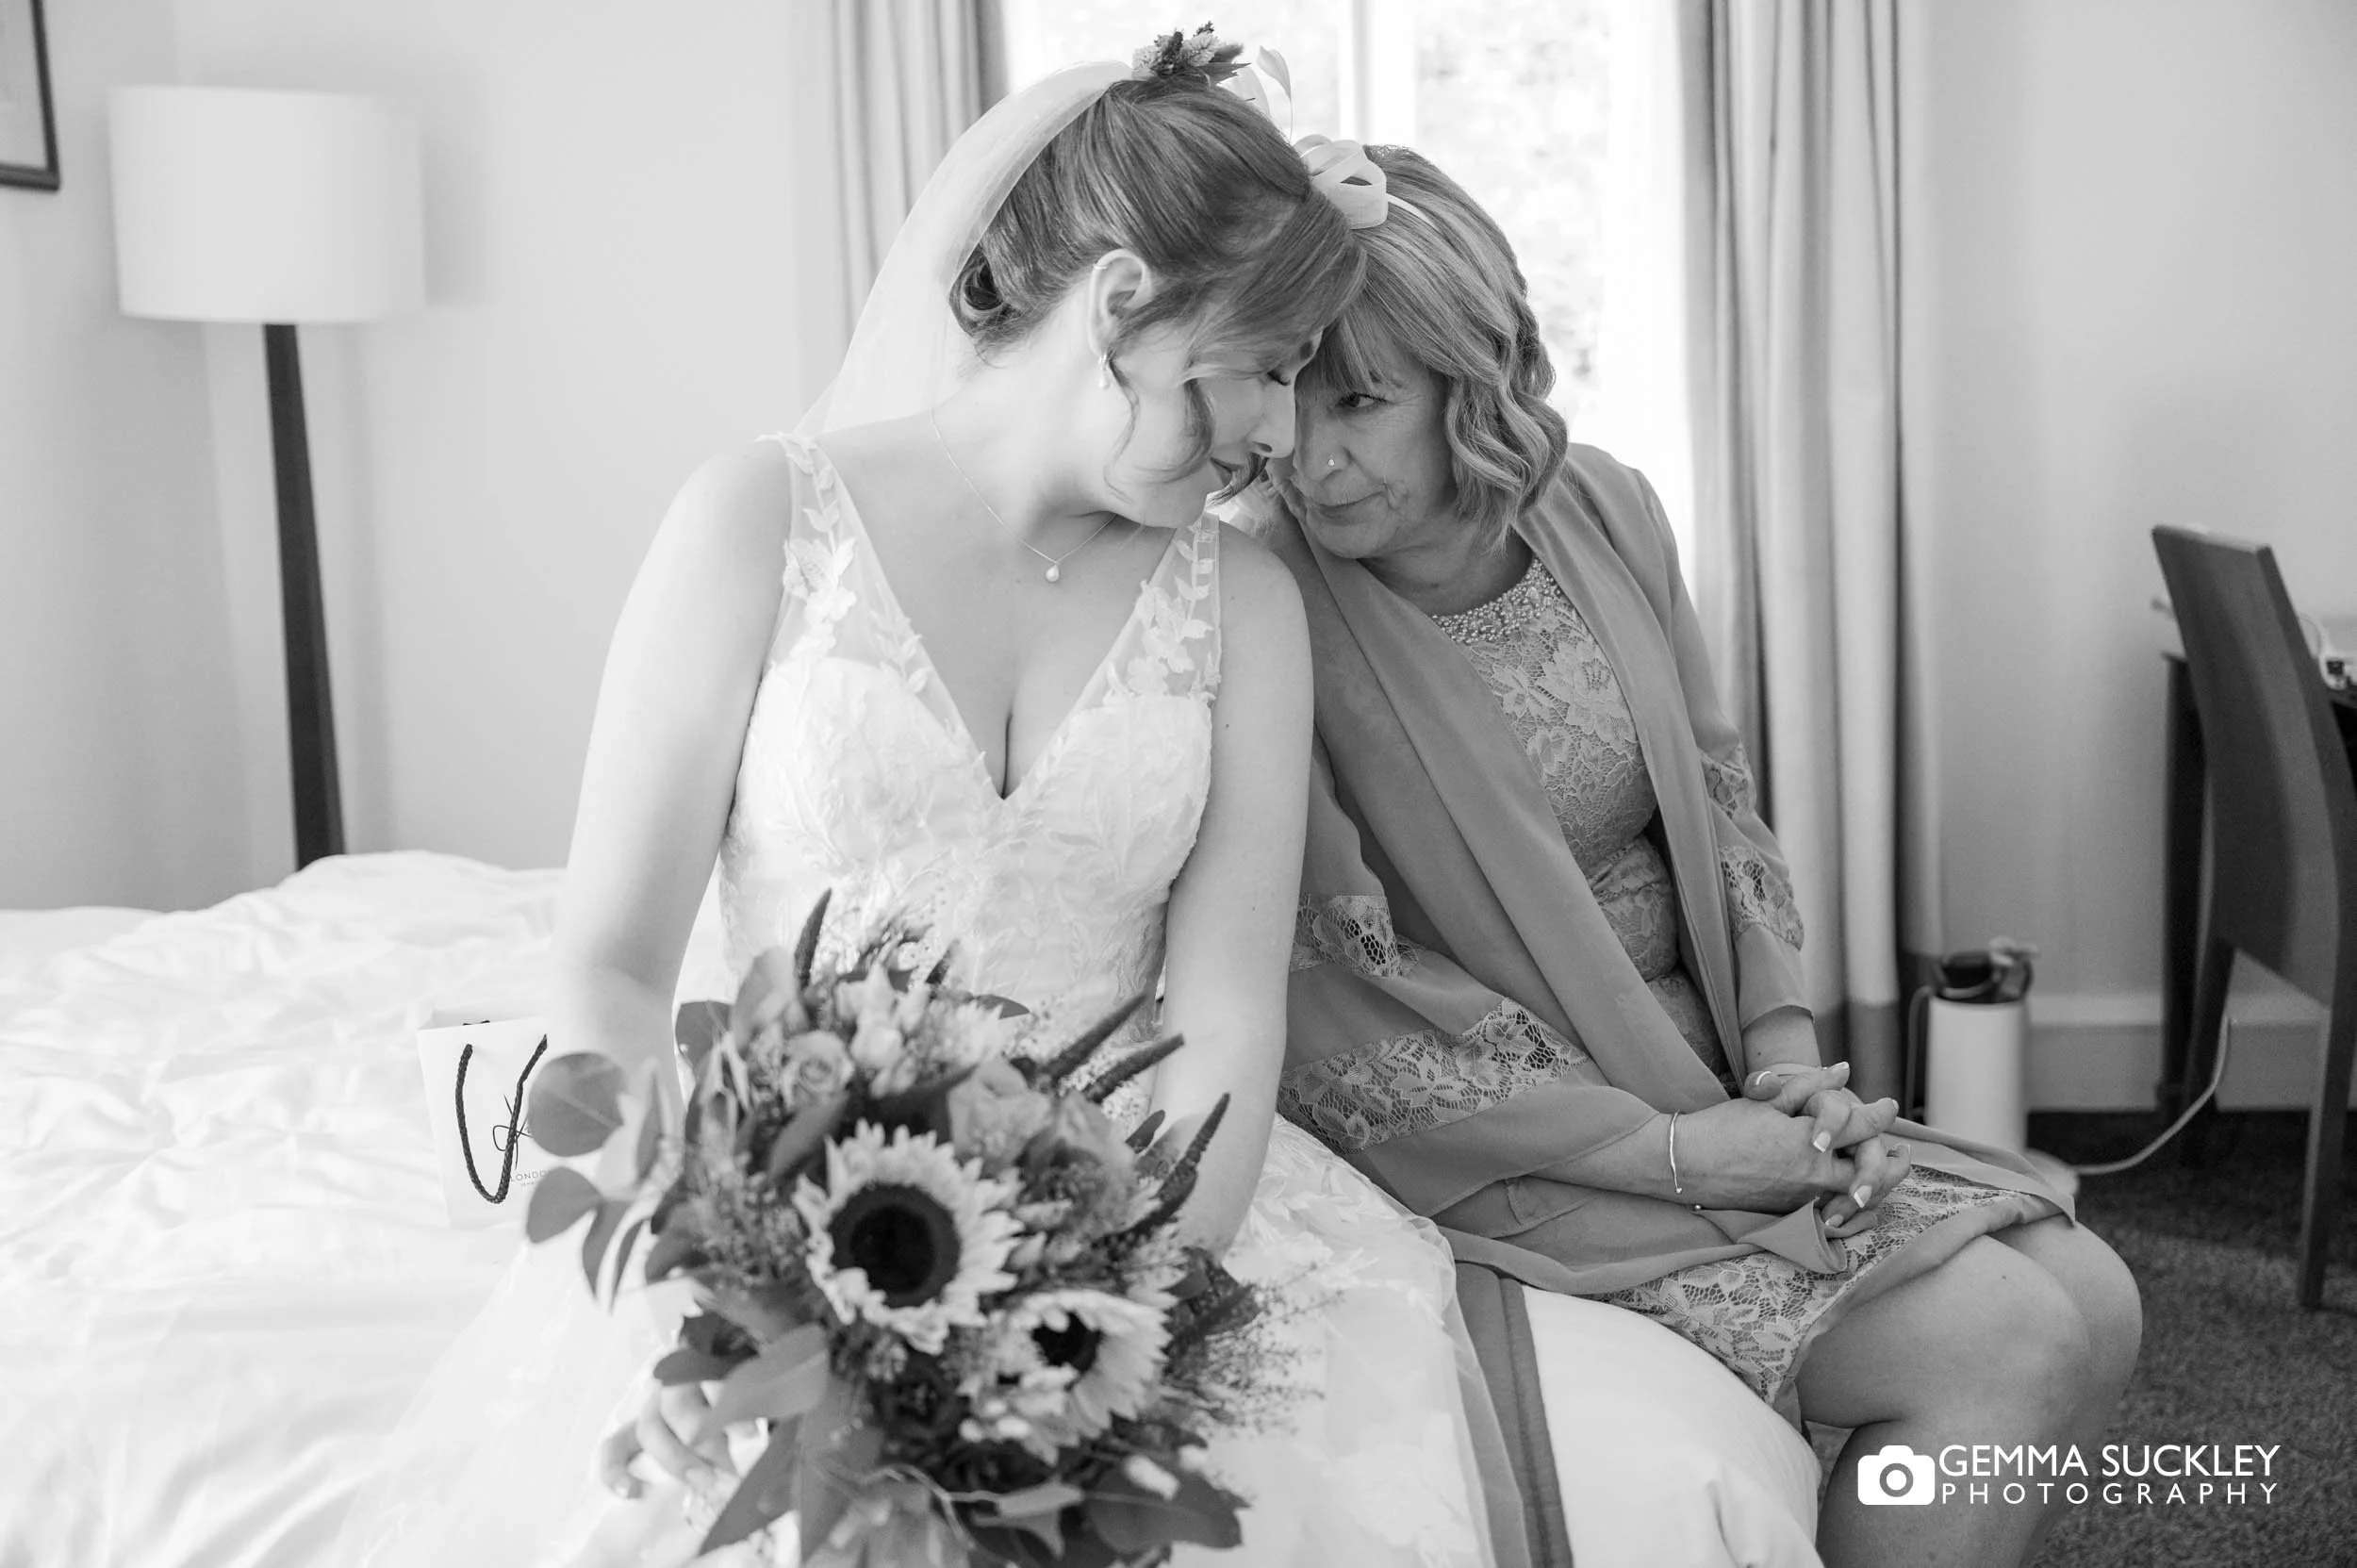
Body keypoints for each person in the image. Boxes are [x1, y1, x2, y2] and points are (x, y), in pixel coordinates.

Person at [343, 41, 1527, 1568]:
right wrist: (716, 1291)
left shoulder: (1242, 601)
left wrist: (1112, 1314)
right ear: (1117, 311)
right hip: (773, 1218)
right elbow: (614, 966)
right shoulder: (752, 521)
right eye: (1273, 363)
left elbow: (1227, 1014)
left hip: (1132, 1229)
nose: (1285, 434)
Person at [1256, 146, 2143, 1568]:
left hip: (1724, 1072)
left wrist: (1789, 1053)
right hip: (1518, 1138)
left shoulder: (1606, 508)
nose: (1311, 452)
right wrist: (1679, 1155)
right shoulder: (1269, 604)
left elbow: (1718, 800)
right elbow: (1343, 996)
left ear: (1468, 383)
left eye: (1358, 399)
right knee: (2007, 1340)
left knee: (2098, 1298)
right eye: (1284, 394)